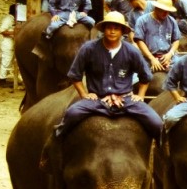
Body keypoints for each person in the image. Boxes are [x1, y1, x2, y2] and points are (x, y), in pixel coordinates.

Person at [55, 11, 162, 139]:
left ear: (122, 31)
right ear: (104, 29)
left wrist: (140, 96)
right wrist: (84, 95)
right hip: (97, 100)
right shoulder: (88, 49)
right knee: (71, 114)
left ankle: (160, 149)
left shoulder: (132, 51)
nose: (112, 31)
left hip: (126, 100)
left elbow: (145, 76)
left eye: (116, 28)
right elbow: (74, 75)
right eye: (109, 28)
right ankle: (55, 142)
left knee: (156, 122)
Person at [133, 0, 181, 72]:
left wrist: (170, 54)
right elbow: (139, 40)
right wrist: (151, 58)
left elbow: (176, 40)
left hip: (168, 56)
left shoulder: (171, 21)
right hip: (149, 56)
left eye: (168, 11)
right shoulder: (142, 20)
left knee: (184, 69)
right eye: (163, 10)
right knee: (137, 75)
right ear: (156, 8)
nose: (166, 13)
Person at [0, 4, 16, 87]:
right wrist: (14, 33)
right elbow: (2, 31)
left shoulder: (15, 19)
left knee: (12, 62)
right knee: (6, 61)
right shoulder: (8, 19)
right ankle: (2, 80)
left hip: (13, 42)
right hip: (8, 42)